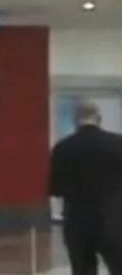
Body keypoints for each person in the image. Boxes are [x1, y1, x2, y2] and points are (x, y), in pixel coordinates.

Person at [50, 101, 122, 275]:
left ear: (75, 120)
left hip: (78, 223)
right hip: (114, 221)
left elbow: (55, 188)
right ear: (99, 118)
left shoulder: (63, 147)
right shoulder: (118, 143)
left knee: (83, 270)